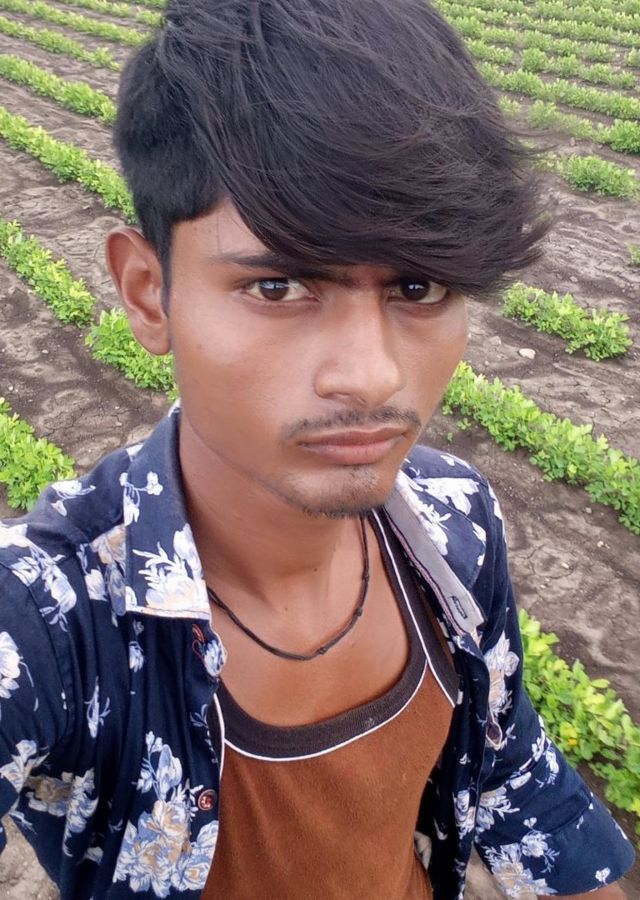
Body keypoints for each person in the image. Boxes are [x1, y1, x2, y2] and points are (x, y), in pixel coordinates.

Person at [0, 0, 635, 897]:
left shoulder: (454, 525)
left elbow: (512, 774)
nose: (371, 376)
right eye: (279, 286)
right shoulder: (49, 624)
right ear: (148, 293)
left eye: (419, 285)